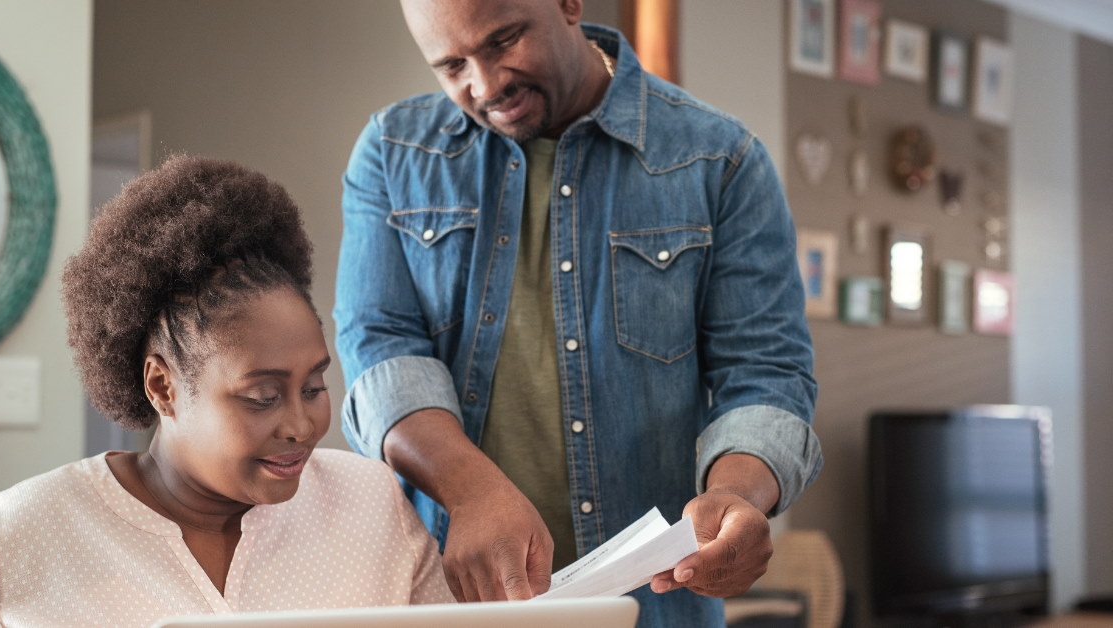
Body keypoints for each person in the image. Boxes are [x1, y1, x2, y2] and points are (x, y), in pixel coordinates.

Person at [334, 0, 824, 625]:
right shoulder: (392, 154)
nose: (485, 85)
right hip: (443, 600)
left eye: (504, 41)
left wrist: (736, 494)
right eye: (452, 65)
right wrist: (472, 491)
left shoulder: (721, 160)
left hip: (656, 605)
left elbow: (764, 371)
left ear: (570, 4)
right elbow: (380, 349)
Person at [0, 156, 454, 627]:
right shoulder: (18, 536)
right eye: (262, 397)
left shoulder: (370, 503)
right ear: (163, 386)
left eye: (313, 386)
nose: (301, 425)